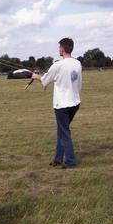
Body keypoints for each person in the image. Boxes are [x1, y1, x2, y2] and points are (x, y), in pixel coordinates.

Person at [32, 37, 82, 169]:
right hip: (75, 103)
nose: (58, 49)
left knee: (64, 133)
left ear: (62, 49)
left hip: (62, 105)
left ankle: (70, 163)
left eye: (59, 47)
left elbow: (45, 80)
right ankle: (58, 159)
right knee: (61, 131)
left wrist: (36, 77)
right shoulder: (77, 63)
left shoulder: (58, 65)